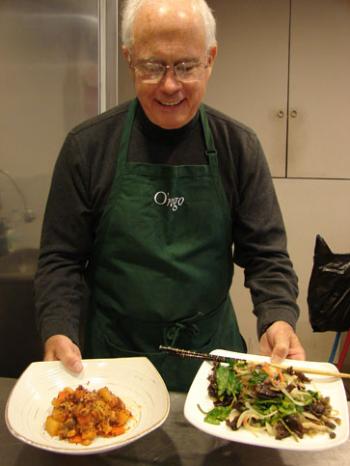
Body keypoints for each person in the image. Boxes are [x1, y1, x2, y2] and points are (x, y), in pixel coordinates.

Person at [34, 0, 305, 391]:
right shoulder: (87, 147)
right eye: (152, 65)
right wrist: (57, 329)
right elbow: (61, 259)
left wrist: (278, 317)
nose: (170, 84)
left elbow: (267, 255)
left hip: (210, 362)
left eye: (185, 66)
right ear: (129, 60)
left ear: (210, 59)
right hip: (112, 363)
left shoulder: (238, 146)